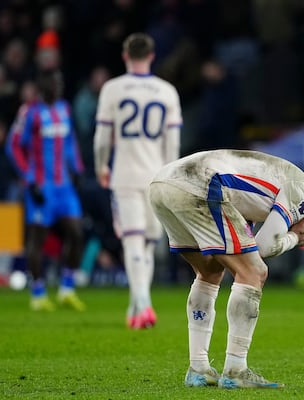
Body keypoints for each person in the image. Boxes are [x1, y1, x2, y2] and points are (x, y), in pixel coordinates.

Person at [149, 149, 304, 389]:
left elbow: (250, 240)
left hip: (162, 183)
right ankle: (236, 369)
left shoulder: (262, 194)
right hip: (200, 183)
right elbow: (264, 247)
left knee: (209, 272)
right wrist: (295, 237)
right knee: (255, 272)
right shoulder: (302, 192)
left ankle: (198, 368)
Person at [94, 33, 182, 329]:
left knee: (132, 241)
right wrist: (170, 174)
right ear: (152, 56)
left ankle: (142, 304)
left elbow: (103, 138)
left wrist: (101, 165)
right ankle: (137, 308)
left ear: (125, 55)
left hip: (125, 175)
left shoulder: (112, 89)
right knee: (146, 244)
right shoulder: (167, 91)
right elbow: (173, 142)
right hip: (156, 175)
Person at [6, 69, 85, 311]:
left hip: (64, 187)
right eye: (55, 82)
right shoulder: (30, 112)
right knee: (37, 239)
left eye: (60, 82)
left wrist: (78, 169)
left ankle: (66, 289)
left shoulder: (65, 109)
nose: (59, 86)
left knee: (76, 233)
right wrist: (29, 180)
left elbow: (71, 141)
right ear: (44, 86)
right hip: (41, 187)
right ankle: (38, 294)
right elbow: (13, 146)